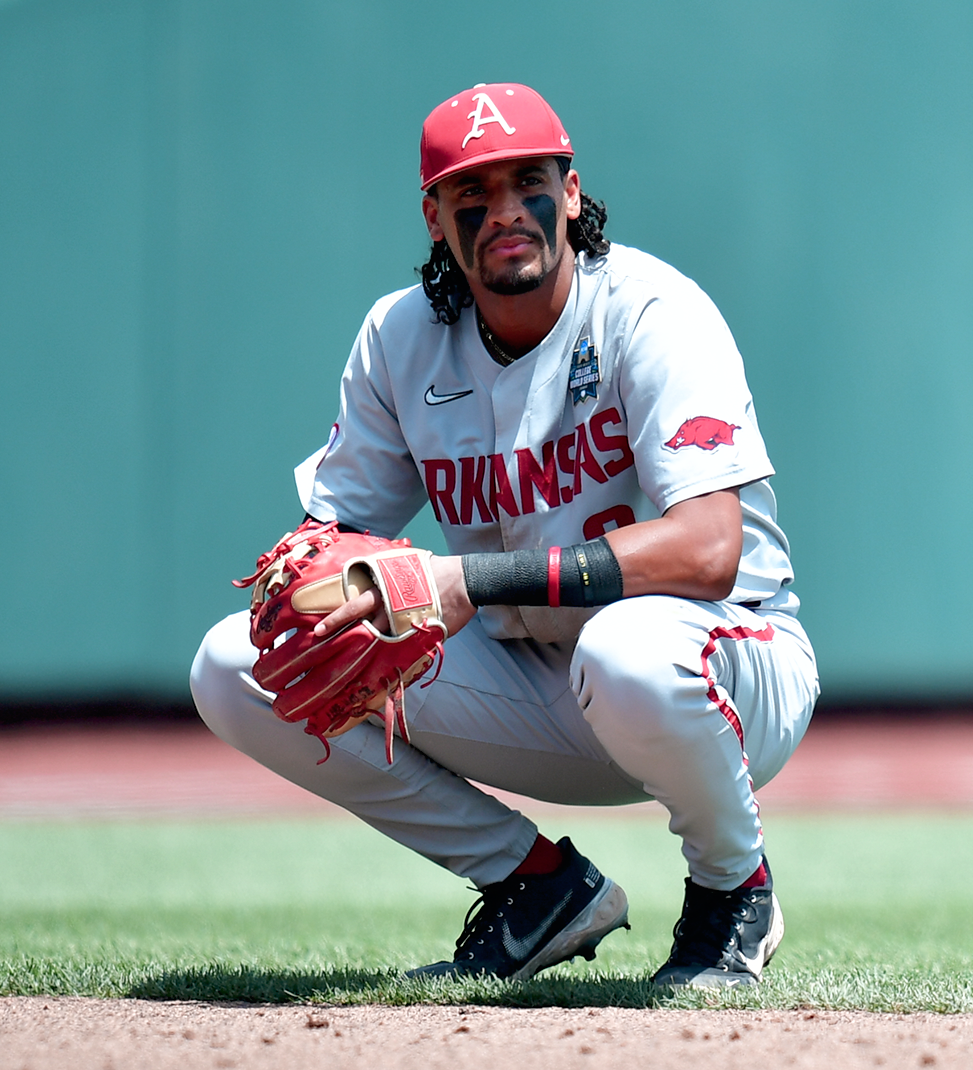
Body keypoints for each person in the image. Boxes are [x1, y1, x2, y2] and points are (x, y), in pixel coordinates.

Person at [189, 82, 818, 989]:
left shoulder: (649, 312)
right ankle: (535, 888)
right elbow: (336, 532)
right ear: (434, 216)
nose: (504, 211)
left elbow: (708, 552)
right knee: (242, 663)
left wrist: (468, 583)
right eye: (472, 194)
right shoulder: (401, 338)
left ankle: (733, 888)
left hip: (725, 669)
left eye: (528, 182)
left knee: (628, 649)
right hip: (536, 681)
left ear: (571, 191)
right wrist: (330, 574)